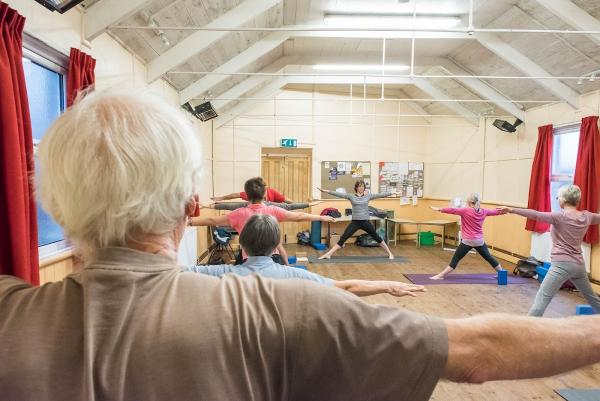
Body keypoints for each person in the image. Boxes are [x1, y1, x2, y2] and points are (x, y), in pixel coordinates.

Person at [5, 90, 600, 401]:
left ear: (52, 206)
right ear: (190, 205)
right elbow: (480, 349)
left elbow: (303, 210)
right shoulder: (280, 303)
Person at [188, 214, 426, 297]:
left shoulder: (221, 273)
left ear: (243, 247)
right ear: (275, 248)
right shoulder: (295, 275)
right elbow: (347, 288)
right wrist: (386, 286)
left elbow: (169, 273)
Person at [499, 184, 600, 316]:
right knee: (592, 299)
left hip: (561, 265)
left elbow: (535, 214)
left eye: (558, 197)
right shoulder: (586, 216)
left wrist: (511, 210)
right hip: (579, 265)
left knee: (542, 298)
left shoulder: (559, 216)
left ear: (563, 200)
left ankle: (527, 329)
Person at [190, 177, 335, 265]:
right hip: (272, 259)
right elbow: (299, 216)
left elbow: (210, 219)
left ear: (246, 195)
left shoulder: (238, 213)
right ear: (265, 194)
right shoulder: (273, 210)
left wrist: (189, 222)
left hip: (249, 261)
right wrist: (321, 217)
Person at [429, 193, 505, 280]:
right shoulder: (484, 211)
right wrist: (508, 210)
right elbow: (495, 212)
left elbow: (452, 210)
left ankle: (440, 276)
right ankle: (501, 273)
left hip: (468, 241)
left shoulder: (465, 210)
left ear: (470, 202)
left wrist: (439, 209)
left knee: (455, 259)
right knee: (489, 258)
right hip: (479, 241)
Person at [318, 181, 395, 259]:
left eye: (362, 186)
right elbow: (340, 194)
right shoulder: (351, 196)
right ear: (356, 187)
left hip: (365, 221)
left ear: (364, 188)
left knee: (377, 237)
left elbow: (380, 195)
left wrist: (392, 192)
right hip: (355, 222)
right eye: (359, 186)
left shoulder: (368, 196)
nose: (361, 188)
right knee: (343, 238)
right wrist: (326, 191)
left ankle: (390, 253)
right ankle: (329, 254)